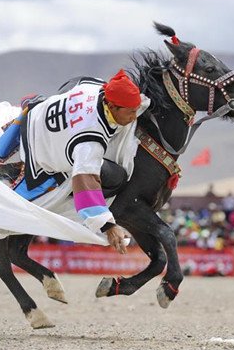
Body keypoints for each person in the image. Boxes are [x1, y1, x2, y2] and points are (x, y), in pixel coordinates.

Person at [20, 69, 146, 253]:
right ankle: (75, 208)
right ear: (112, 106)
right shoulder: (90, 139)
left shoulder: (94, 87)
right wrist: (107, 225)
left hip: (40, 113)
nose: (134, 117)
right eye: (131, 112)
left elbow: (73, 83)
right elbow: (85, 179)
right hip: (40, 153)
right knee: (118, 177)